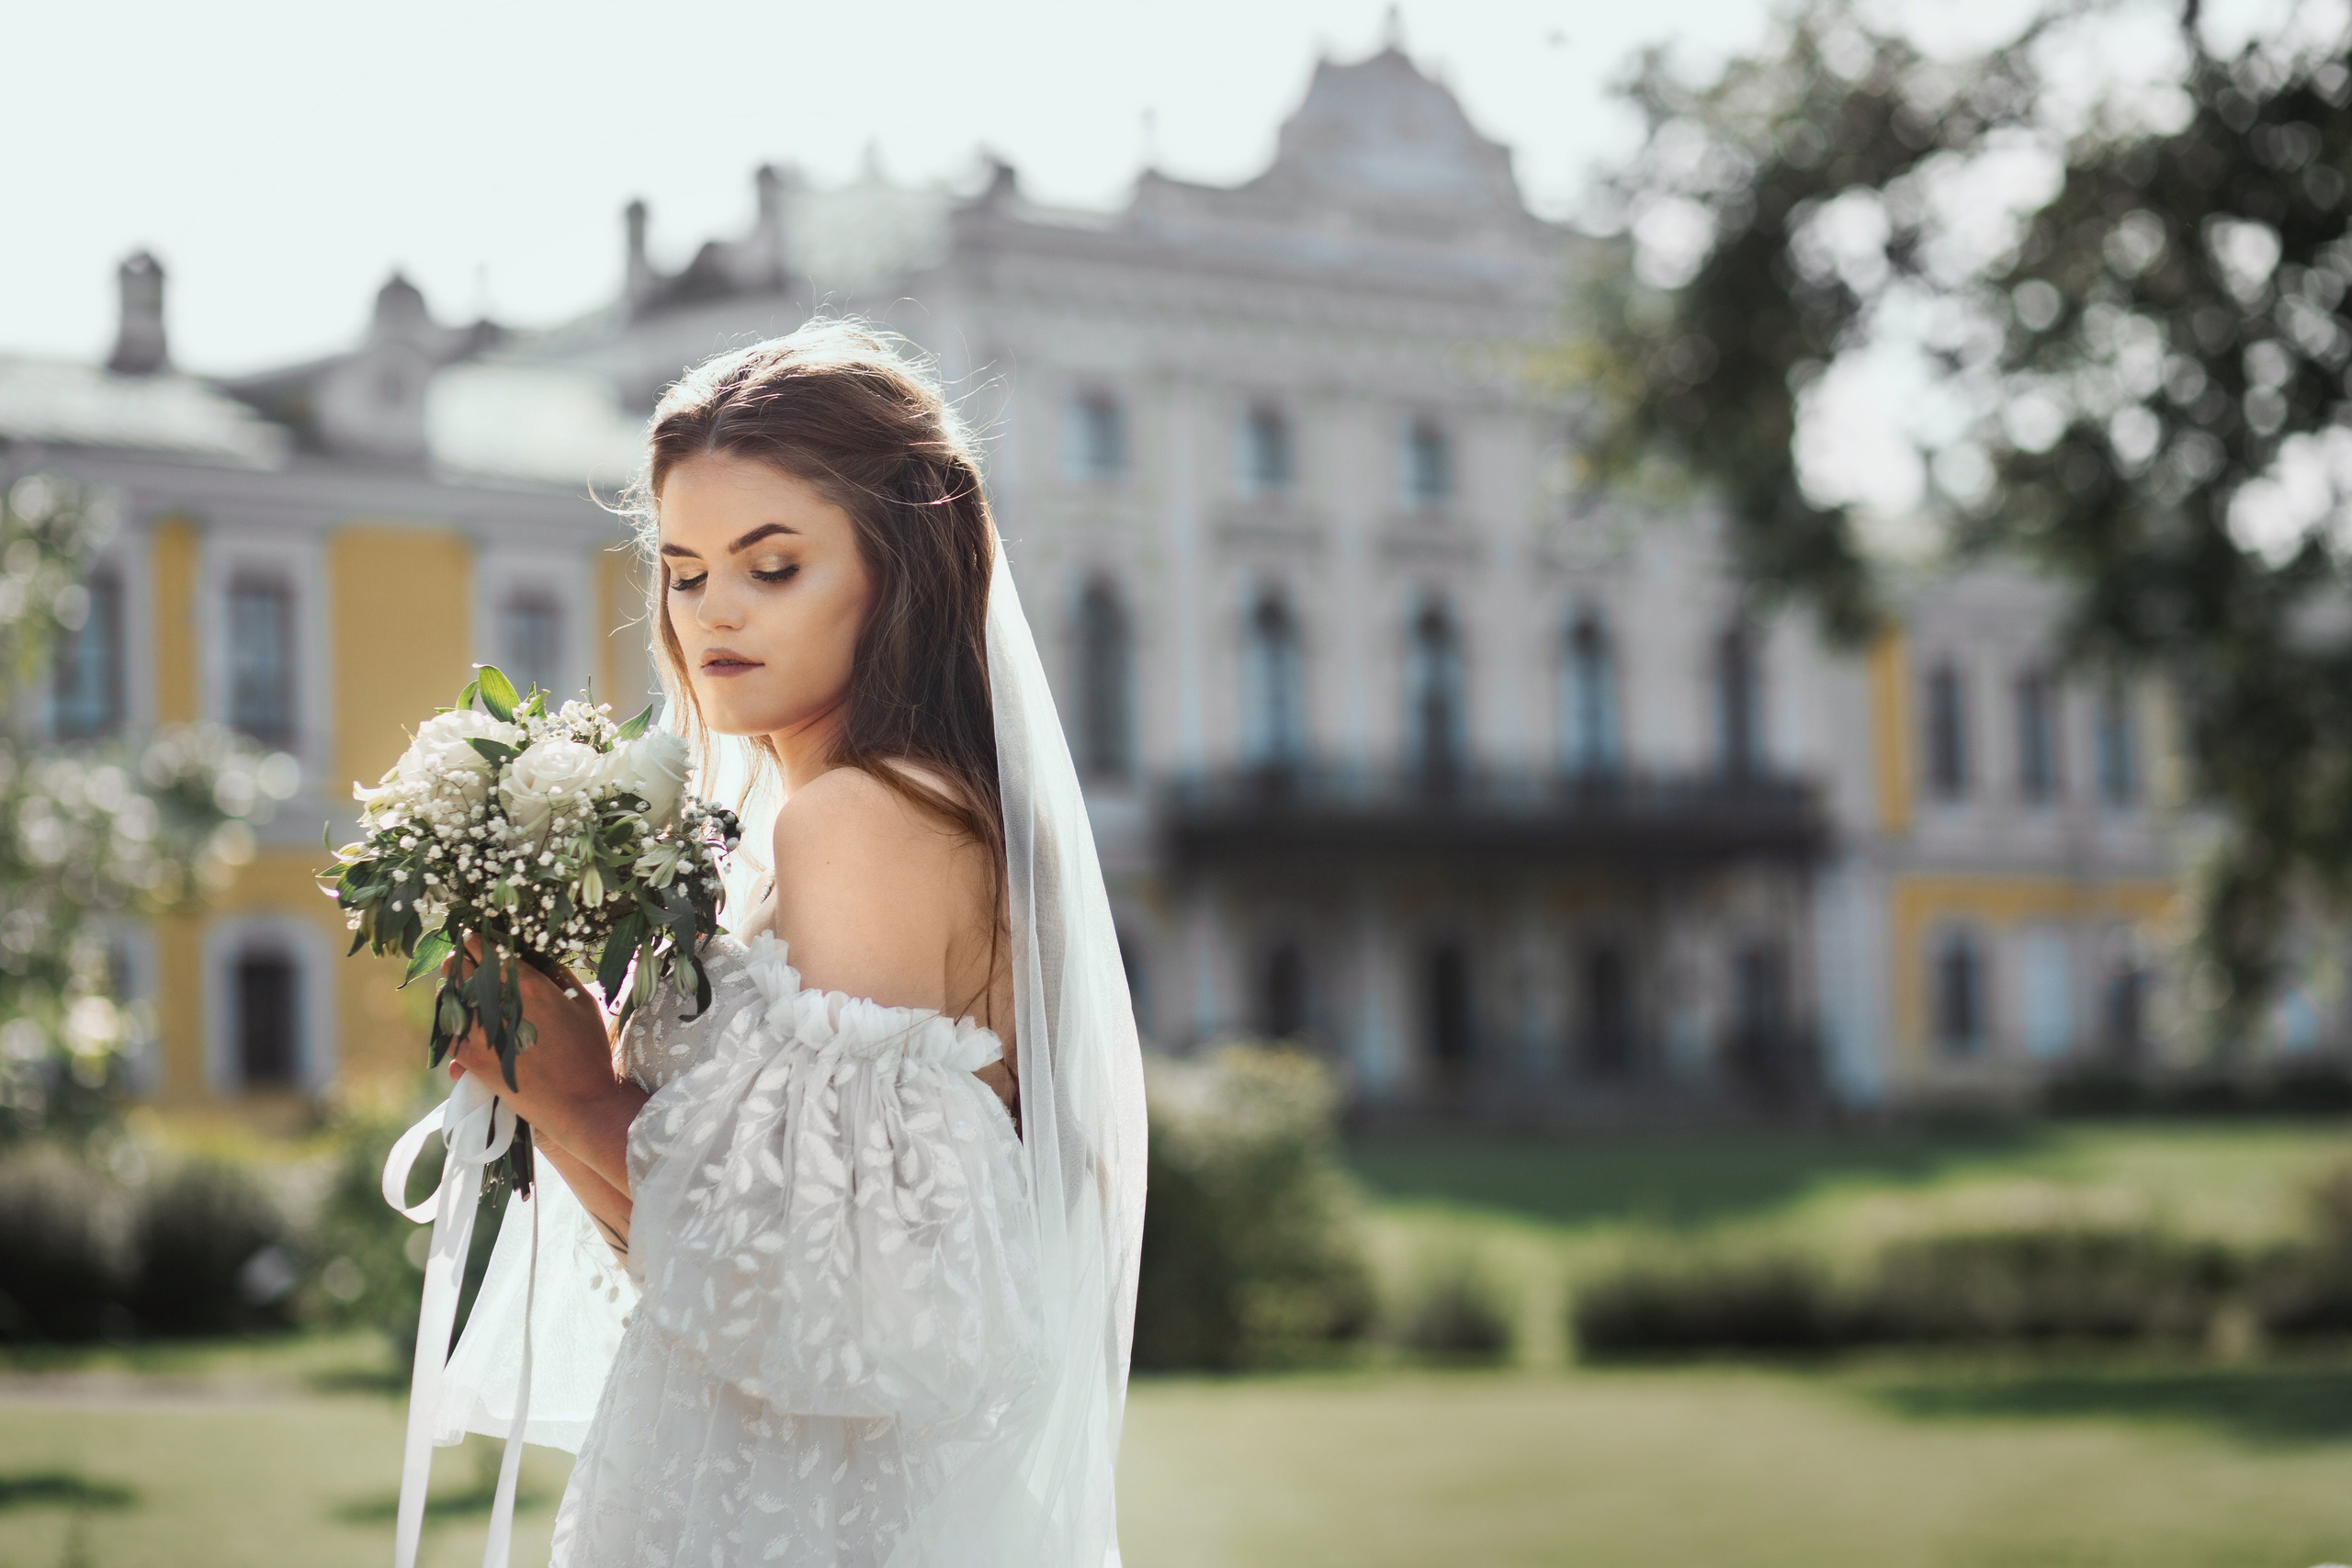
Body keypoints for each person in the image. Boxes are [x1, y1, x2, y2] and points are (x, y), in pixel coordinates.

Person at [439, 322, 1147, 1567]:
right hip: (756, 1485)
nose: (714, 611)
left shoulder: (857, 821)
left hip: (805, 1518)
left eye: (773, 567)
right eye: (686, 568)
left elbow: (832, 1301)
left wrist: (578, 1087)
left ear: (898, 571)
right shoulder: (875, 815)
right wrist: (557, 1093)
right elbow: (722, 1275)